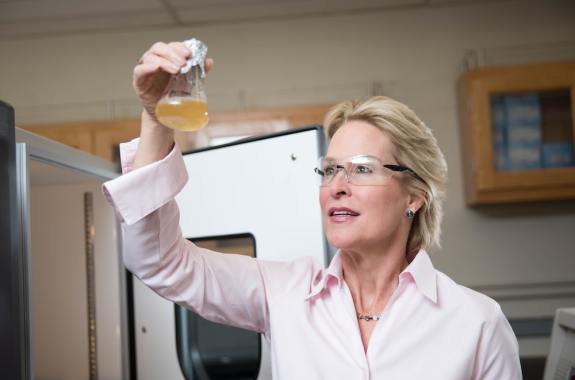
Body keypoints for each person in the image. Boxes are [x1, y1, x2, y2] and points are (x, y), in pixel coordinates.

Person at [103, 41, 522, 379]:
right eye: (330, 170)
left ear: (414, 195)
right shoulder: (285, 294)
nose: (337, 187)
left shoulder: (476, 323)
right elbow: (160, 263)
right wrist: (156, 118)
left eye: (361, 169)